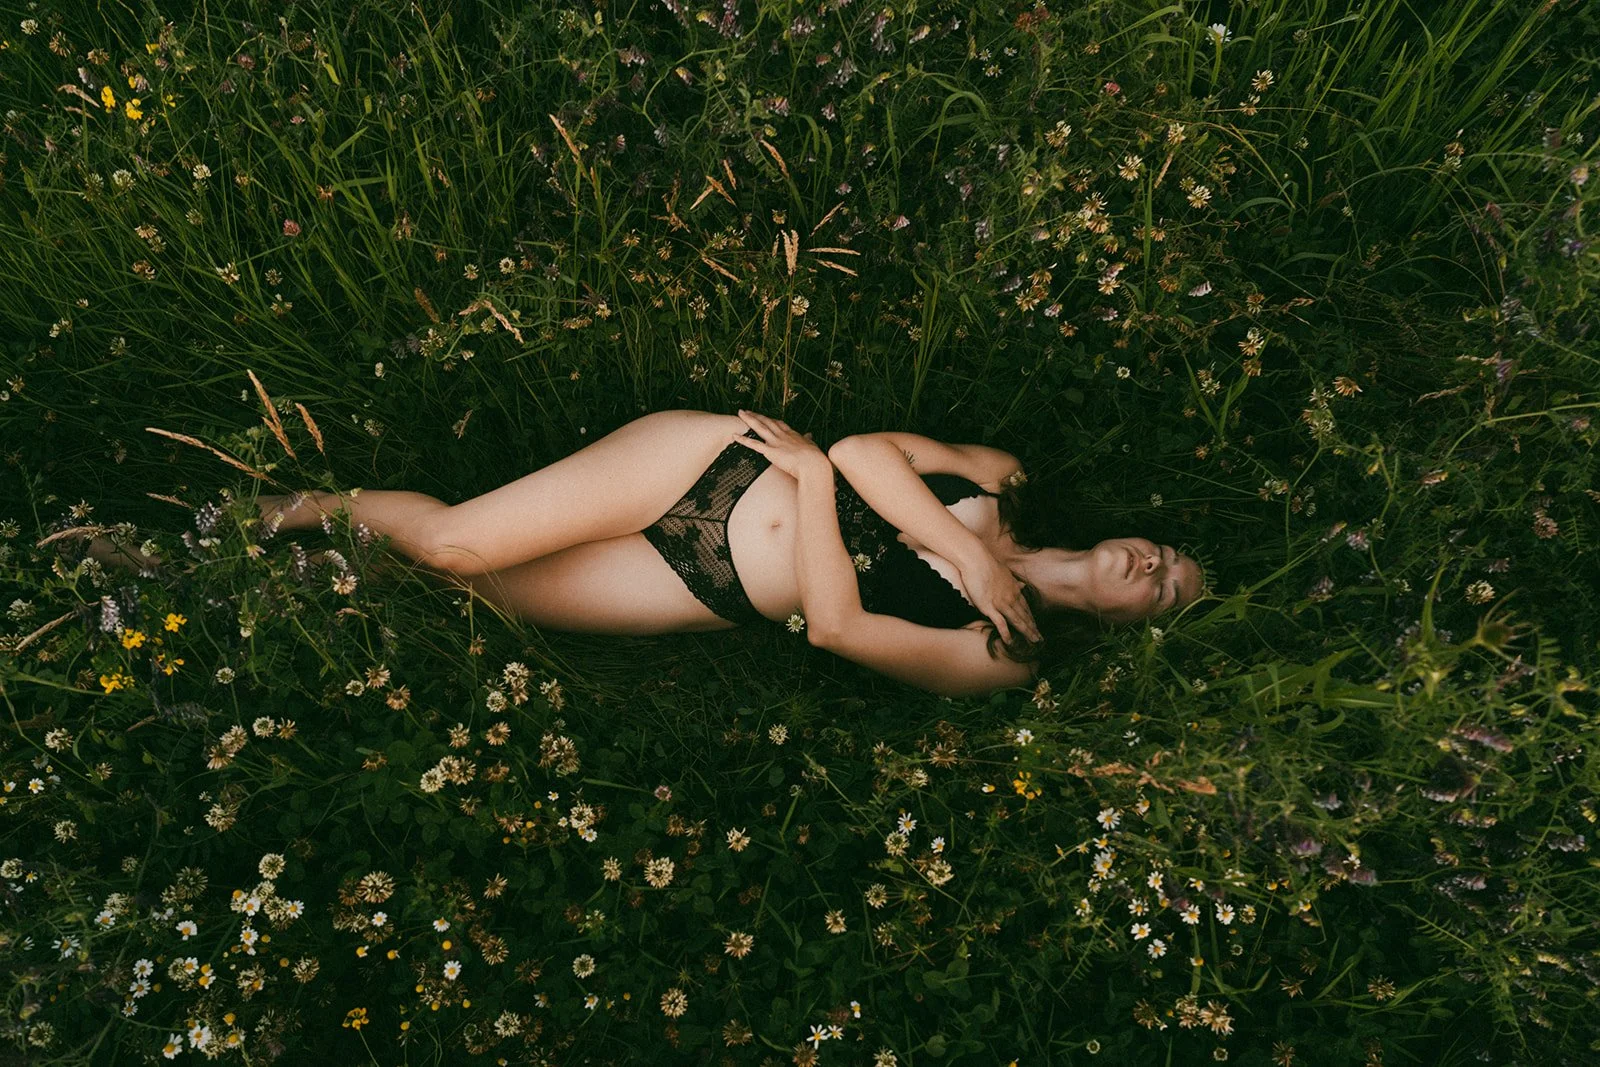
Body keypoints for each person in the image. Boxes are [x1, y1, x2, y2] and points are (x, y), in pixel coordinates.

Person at [87, 409, 1204, 698]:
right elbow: (871, 447)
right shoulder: (998, 479)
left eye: (1159, 591)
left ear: (1124, 625)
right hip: (708, 467)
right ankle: (255, 519)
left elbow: (844, 626)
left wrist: (816, 485)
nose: (1149, 563)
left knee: (460, 586)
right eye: (1165, 551)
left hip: (706, 580)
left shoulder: (999, 654)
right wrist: (968, 552)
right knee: (455, 536)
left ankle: (228, 587)